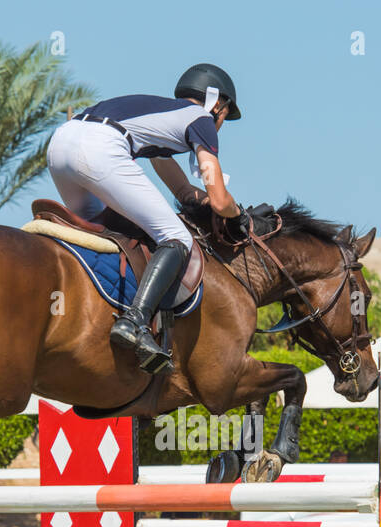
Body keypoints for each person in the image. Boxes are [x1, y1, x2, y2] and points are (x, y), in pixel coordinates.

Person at [46, 63, 248, 374]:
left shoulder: (162, 117)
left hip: (61, 144)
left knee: (103, 230)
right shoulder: (202, 120)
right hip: (100, 150)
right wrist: (237, 215)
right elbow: (221, 201)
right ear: (218, 104)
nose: (221, 124)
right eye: (225, 116)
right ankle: (135, 321)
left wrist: (209, 203)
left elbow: (182, 191)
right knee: (177, 238)